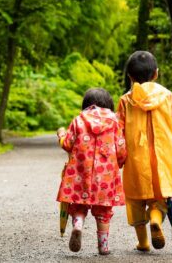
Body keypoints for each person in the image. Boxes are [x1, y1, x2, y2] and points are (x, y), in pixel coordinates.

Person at [117, 51, 172, 252]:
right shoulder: (167, 96)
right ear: (156, 73)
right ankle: (156, 219)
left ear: (130, 77)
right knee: (160, 198)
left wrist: (119, 157)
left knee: (136, 200)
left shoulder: (126, 100)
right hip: (163, 159)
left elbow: (118, 133)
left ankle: (143, 242)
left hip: (136, 160)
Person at [56, 88, 127, 255]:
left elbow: (68, 144)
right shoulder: (115, 122)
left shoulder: (78, 120)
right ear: (108, 104)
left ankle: (78, 225)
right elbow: (121, 149)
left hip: (81, 175)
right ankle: (103, 246)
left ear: (86, 105)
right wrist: (121, 162)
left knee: (79, 204)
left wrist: (61, 135)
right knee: (104, 211)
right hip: (106, 178)